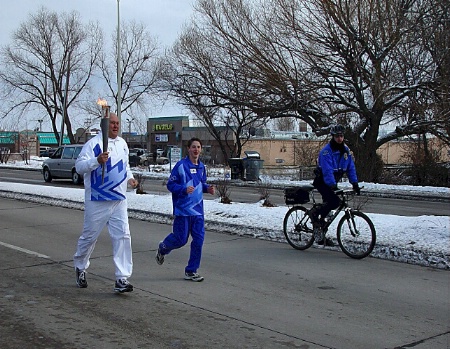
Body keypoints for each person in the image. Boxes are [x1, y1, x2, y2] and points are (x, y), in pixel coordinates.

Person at [73, 113, 138, 293]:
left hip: (118, 199)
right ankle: (80, 266)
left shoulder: (123, 144)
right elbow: (79, 167)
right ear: (105, 125)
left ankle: (121, 278)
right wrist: (96, 161)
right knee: (89, 237)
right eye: (112, 124)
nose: (116, 126)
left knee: (123, 236)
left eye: (118, 123)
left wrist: (130, 180)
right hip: (97, 199)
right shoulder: (93, 144)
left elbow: (125, 167)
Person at [155, 137, 215, 282]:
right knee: (181, 240)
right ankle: (163, 247)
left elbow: (201, 183)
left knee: (199, 241)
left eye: (198, 147)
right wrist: (183, 189)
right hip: (183, 211)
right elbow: (170, 185)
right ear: (188, 149)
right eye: (193, 147)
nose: (196, 150)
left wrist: (208, 188)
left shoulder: (201, 167)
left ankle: (191, 271)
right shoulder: (181, 166)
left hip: (198, 211)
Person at [311, 124, 360, 245]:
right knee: (334, 202)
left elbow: (350, 168)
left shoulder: (345, 151)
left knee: (328, 209)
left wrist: (354, 183)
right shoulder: (326, 152)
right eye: (337, 136)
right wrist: (333, 186)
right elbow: (327, 171)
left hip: (333, 182)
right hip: (323, 182)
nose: (339, 138)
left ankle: (321, 232)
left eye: (341, 136)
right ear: (333, 137)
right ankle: (315, 216)